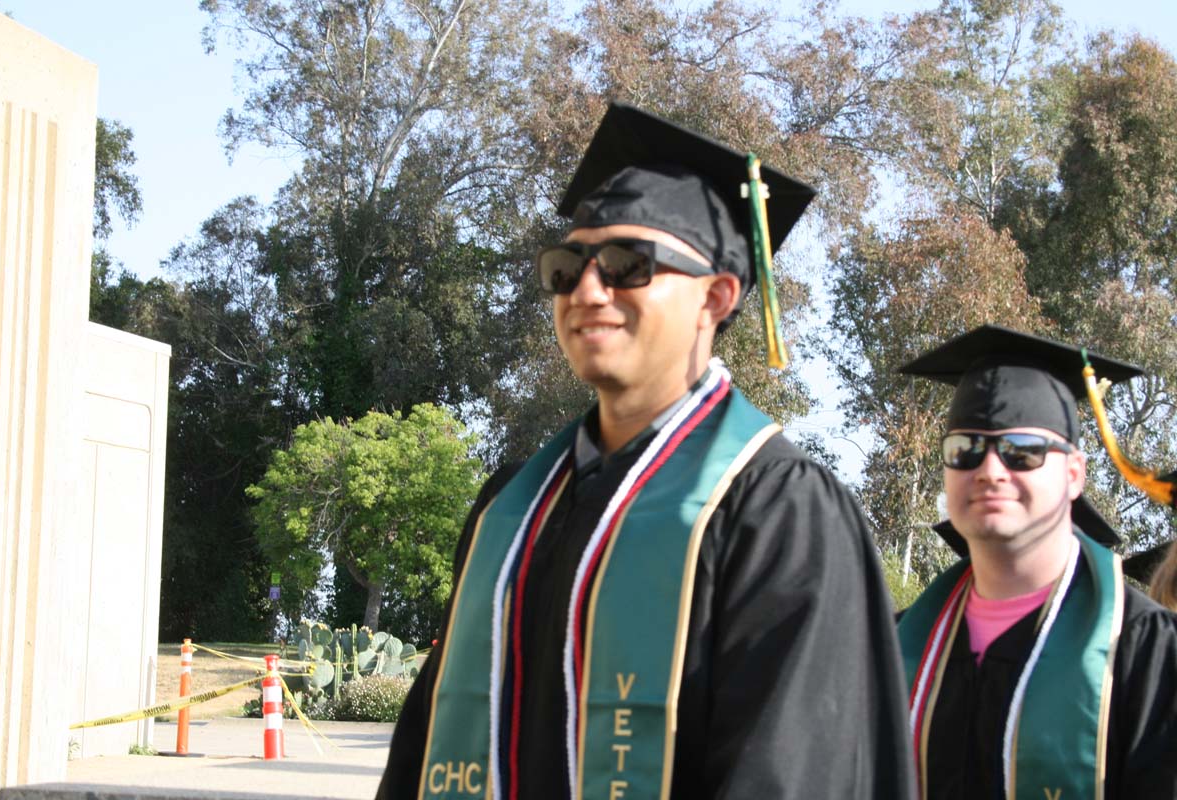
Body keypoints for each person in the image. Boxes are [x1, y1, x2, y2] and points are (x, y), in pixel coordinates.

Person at [375, 102, 914, 799]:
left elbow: (789, 773)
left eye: (629, 264)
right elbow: (425, 747)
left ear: (716, 298)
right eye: (567, 266)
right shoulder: (510, 509)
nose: (588, 289)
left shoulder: (778, 509)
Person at [897, 324, 1177, 799]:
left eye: (1021, 452)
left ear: (1073, 474)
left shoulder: (1148, 652)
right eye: (964, 450)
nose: (989, 471)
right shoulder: (894, 645)